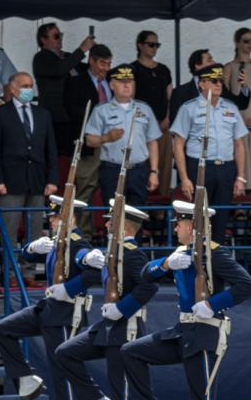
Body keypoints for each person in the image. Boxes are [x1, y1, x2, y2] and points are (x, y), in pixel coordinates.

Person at [120, 200, 251, 400]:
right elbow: (145, 274)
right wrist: (165, 265)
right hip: (182, 331)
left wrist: (211, 304)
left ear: (192, 225)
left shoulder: (214, 254)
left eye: (179, 224)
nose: (175, 229)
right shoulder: (181, 252)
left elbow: (247, 285)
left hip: (206, 334)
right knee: (131, 352)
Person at [0, 194, 99, 400]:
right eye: (51, 217)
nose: (52, 221)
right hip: (49, 310)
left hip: (64, 315)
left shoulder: (76, 243)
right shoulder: (57, 243)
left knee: (62, 371)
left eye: (56, 216)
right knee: (3, 329)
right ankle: (27, 380)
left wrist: (69, 288)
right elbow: (33, 255)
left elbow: (94, 270)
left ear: (70, 218)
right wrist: (30, 248)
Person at [54, 202, 158, 400]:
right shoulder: (115, 251)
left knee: (122, 395)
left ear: (124, 226)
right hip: (107, 327)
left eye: (112, 221)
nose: (107, 224)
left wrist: (122, 308)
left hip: (125, 327)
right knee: (65, 353)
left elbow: (149, 288)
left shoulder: (133, 254)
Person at [0, 71, 59, 282]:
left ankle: (29, 272)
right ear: (13, 89)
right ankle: (11, 273)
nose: (29, 89)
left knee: (35, 230)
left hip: (37, 181)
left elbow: (51, 150)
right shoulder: (0, 113)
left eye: (31, 85)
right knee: (10, 230)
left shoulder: (43, 114)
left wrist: (52, 179)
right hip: (11, 181)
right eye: (24, 85)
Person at [171, 64, 248, 244]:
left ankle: (217, 262)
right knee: (197, 218)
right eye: (214, 81)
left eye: (220, 81)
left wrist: (241, 177)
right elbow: (178, 144)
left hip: (226, 169)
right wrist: (184, 178)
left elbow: (239, 144)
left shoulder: (230, 108)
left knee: (220, 219)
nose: (218, 85)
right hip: (198, 167)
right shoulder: (188, 108)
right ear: (202, 84)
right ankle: (197, 260)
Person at [85, 64, 161, 208]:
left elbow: (152, 142)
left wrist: (154, 171)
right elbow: (89, 140)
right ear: (112, 85)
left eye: (130, 81)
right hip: (112, 170)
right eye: (122, 82)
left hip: (139, 170)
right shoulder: (101, 110)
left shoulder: (144, 108)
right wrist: (106, 138)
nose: (127, 85)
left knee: (137, 217)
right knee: (114, 217)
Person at [63, 44, 113, 239]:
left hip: (113, 146)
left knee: (112, 190)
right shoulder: (76, 82)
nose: (106, 68)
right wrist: (98, 117)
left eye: (109, 63)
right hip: (89, 146)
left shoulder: (112, 81)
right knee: (85, 192)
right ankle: (83, 238)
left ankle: (114, 235)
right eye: (102, 63)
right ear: (90, 60)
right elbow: (71, 110)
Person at [32, 22, 95, 156]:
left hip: (74, 115)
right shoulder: (41, 58)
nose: (60, 38)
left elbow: (88, 71)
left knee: (76, 154)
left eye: (60, 35)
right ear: (43, 40)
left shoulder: (67, 56)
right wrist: (82, 50)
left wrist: (96, 59)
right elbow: (59, 69)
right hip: (55, 117)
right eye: (55, 36)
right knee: (57, 156)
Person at [223, 27, 251, 191]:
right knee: (240, 158)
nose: (250, 44)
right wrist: (238, 120)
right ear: (237, 42)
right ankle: (239, 200)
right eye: (246, 41)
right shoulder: (229, 67)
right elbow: (225, 97)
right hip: (238, 120)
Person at [131, 30, 174, 195]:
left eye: (157, 45)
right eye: (151, 44)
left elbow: (171, 96)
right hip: (141, 127)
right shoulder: (133, 69)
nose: (154, 48)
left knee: (163, 165)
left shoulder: (163, 70)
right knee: (143, 165)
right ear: (140, 45)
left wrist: (168, 119)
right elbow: (131, 99)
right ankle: (142, 204)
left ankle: (161, 212)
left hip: (163, 125)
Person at [169, 48, 250, 123]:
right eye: (209, 60)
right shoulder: (179, 93)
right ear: (197, 65)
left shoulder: (219, 87)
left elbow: (240, 104)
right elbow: (176, 124)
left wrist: (244, 86)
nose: (214, 63)